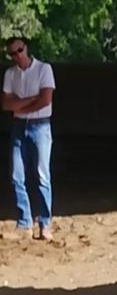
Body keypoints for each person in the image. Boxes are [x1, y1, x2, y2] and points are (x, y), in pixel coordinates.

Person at [1, 36, 55, 241]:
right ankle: (25, 222)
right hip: (20, 126)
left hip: (40, 125)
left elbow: (46, 99)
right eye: (12, 54)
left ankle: (44, 222)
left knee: (42, 174)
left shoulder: (43, 69)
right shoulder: (10, 74)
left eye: (19, 51)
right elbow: (6, 104)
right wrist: (32, 100)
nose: (17, 56)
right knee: (17, 175)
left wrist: (21, 105)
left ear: (26, 48)